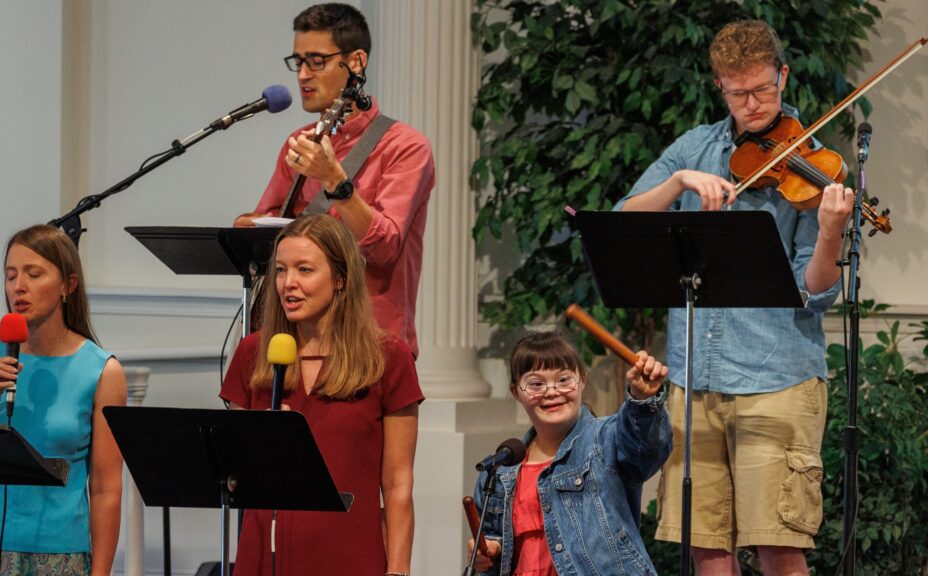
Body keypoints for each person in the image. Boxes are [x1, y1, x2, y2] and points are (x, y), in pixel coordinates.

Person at [614, 20, 851, 575]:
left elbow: (813, 292)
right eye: (737, 92)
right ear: (719, 85)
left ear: (783, 76)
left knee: (779, 546)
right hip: (695, 379)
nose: (752, 104)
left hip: (777, 378)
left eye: (763, 90)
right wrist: (678, 184)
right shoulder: (695, 146)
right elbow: (625, 218)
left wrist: (833, 230)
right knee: (706, 547)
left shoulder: (811, 166)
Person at [220, 214, 422, 576]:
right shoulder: (253, 353)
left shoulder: (388, 358)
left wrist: (399, 569)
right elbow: (233, 477)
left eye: (304, 270)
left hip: (350, 557)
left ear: (340, 278)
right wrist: (257, 444)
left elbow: (397, 485)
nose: (288, 284)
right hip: (264, 557)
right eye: (281, 270)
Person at [233, 2, 435, 357]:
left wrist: (335, 181)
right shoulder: (298, 144)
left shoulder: (405, 146)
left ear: (355, 62)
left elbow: (385, 249)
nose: (303, 75)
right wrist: (246, 227)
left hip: (370, 342)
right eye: (299, 62)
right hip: (294, 342)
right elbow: (267, 224)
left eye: (317, 61)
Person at [0, 224, 126, 575]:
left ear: (68, 285)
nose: (19, 286)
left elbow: (106, 488)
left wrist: (102, 571)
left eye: (34, 274)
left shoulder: (101, 371)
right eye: (11, 275)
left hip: (61, 555)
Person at [468, 331, 672, 575]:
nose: (551, 391)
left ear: (583, 380)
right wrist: (489, 550)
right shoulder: (502, 470)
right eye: (536, 383)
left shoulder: (606, 438)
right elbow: (494, 541)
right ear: (516, 392)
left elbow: (647, 450)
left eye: (564, 379)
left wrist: (643, 398)